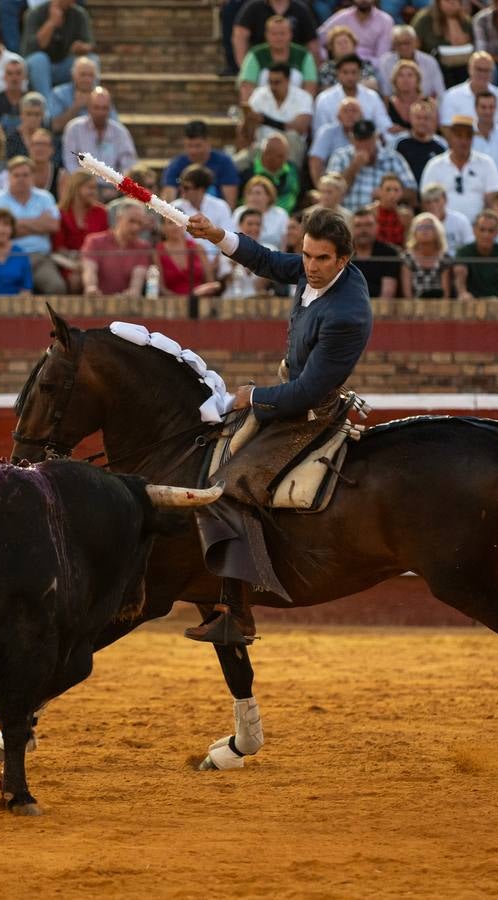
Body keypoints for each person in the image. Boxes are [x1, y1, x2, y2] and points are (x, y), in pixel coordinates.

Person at [182, 206, 370, 643]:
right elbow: (267, 261)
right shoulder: (314, 273)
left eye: (322, 259)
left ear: (343, 260)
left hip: (309, 413)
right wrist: (216, 234)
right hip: (292, 396)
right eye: (306, 256)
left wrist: (256, 396)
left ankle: (239, 613)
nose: (310, 266)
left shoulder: (347, 313)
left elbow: (305, 394)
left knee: (228, 485)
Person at [0, 155, 64, 294]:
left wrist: (15, 223)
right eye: (16, 175)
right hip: (8, 257)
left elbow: (53, 226)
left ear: (33, 176)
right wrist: (38, 223)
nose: (21, 179)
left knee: (57, 287)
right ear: (8, 177)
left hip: (39, 257)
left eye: (25, 175)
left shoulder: (45, 197)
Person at [420, 115, 498, 225]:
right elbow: (426, 201)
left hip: (478, 227)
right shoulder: (435, 165)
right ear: (450, 138)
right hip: (442, 226)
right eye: (459, 136)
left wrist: (482, 226)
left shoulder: (486, 163)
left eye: (468, 137)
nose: (463, 141)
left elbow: (492, 200)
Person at [328, 119, 418, 211]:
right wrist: (354, 167)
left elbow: (412, 194)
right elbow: (329, 191)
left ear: (376, 137)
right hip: (346, 217)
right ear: (352, 140)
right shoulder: (340, 156)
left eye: (368, 140)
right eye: (359, 140)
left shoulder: (393, 158)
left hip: (382, 219)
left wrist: (389, 193)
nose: (364, 145)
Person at [242, 62, 315, 164]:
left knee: (293, 137)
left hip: (289, 149)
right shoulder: (259, 94)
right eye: (270, 82)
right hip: (262, 147)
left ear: (288, 81)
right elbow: (247, 132)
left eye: (277, 82)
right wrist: (248, 121)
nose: (272, 86)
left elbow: (301, 127)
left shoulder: (303, 97)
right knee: (234, 164)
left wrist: (265, 120)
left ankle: (289, 178)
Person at [61, 88, 137, 183]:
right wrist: (84, 184)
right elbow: (70, 162)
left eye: (104, 108)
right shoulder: (74, 129)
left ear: (110, 109)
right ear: (88, 107)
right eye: (96, 107)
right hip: (82, 186)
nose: (100, 112)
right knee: (63, 175)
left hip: (113, 188)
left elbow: (129, 164)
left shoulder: (120, 132)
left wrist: (118, 184)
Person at [162, 120, 242, 207]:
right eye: (189, 146)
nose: (193, 151)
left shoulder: (224, 163)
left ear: (208, 142)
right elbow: (168, 201)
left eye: (198, 146)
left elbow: (230, 203)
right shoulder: (176, 164)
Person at [238, 15, 319, 101]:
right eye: (274, 34)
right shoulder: (255, 55)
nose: (278, 38)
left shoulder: (304, 55)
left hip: (297, 108)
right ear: (266, 35)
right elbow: (246, 88)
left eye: (282, 33)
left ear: (290, 34)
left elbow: (310, 88)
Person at [80, 199, 151, 296]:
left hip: (126, 305)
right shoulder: (94, 241)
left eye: (140, 223)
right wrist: (91, 287)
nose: (136, 228)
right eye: (131, 221)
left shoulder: (143, 247)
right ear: (119, 219)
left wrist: (133, 292)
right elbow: (89, 270)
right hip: (97, 301)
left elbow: (137, 278)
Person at [174, 164, 236, 263]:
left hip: (220, 262)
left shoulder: (221, 206)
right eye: (180, 184)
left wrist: (217, 262)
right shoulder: (175, 207)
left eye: (186, 187)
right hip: (188, 262)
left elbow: (228, 238)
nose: (181, 189)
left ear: (201, 189)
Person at [440, 52, 498, 130]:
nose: (483, 74)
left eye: (487, 70)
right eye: (479, 69)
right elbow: (447, 128)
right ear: (469, 69)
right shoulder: (451, 96)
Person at [454, 208, 498, 299]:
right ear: (474, 231)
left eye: (490, 231)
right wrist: (463, 293)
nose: (486, 235)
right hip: (471, 302)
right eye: (482, 230)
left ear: (497, 233)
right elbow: (460, 276)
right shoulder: (463, 252)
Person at [412, 0, 474, 90]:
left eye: (456, 1)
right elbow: (414, 47)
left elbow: (465, 44)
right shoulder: (424, 20)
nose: (452, 3)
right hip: (435, 66)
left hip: (462, 66)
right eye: (447, 1)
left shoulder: (465, 21)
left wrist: (452, 20)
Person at [350, 203, 401, 299]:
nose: (363, 230)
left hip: (380, 310)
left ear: (377, 227)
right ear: (351, 229)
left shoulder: (389, 254)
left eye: (368, 225)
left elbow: (388, 294)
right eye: (358, 225)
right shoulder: (342, 254)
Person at [393, 98, 447, 185]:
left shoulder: (441, 145)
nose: (422, 122)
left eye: (426, 118)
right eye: (418, 118)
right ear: (410, 118)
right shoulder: (398, 142)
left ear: (432, 120)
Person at [401, 210, 451, 297]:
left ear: (437, 231)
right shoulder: (407, 258)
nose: (425, 231)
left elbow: (446, 294)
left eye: (429, 227)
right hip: (414, 308)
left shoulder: (444, 257)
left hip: (440, 307)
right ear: (414, 232)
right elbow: (407, 295)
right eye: (420, 227)